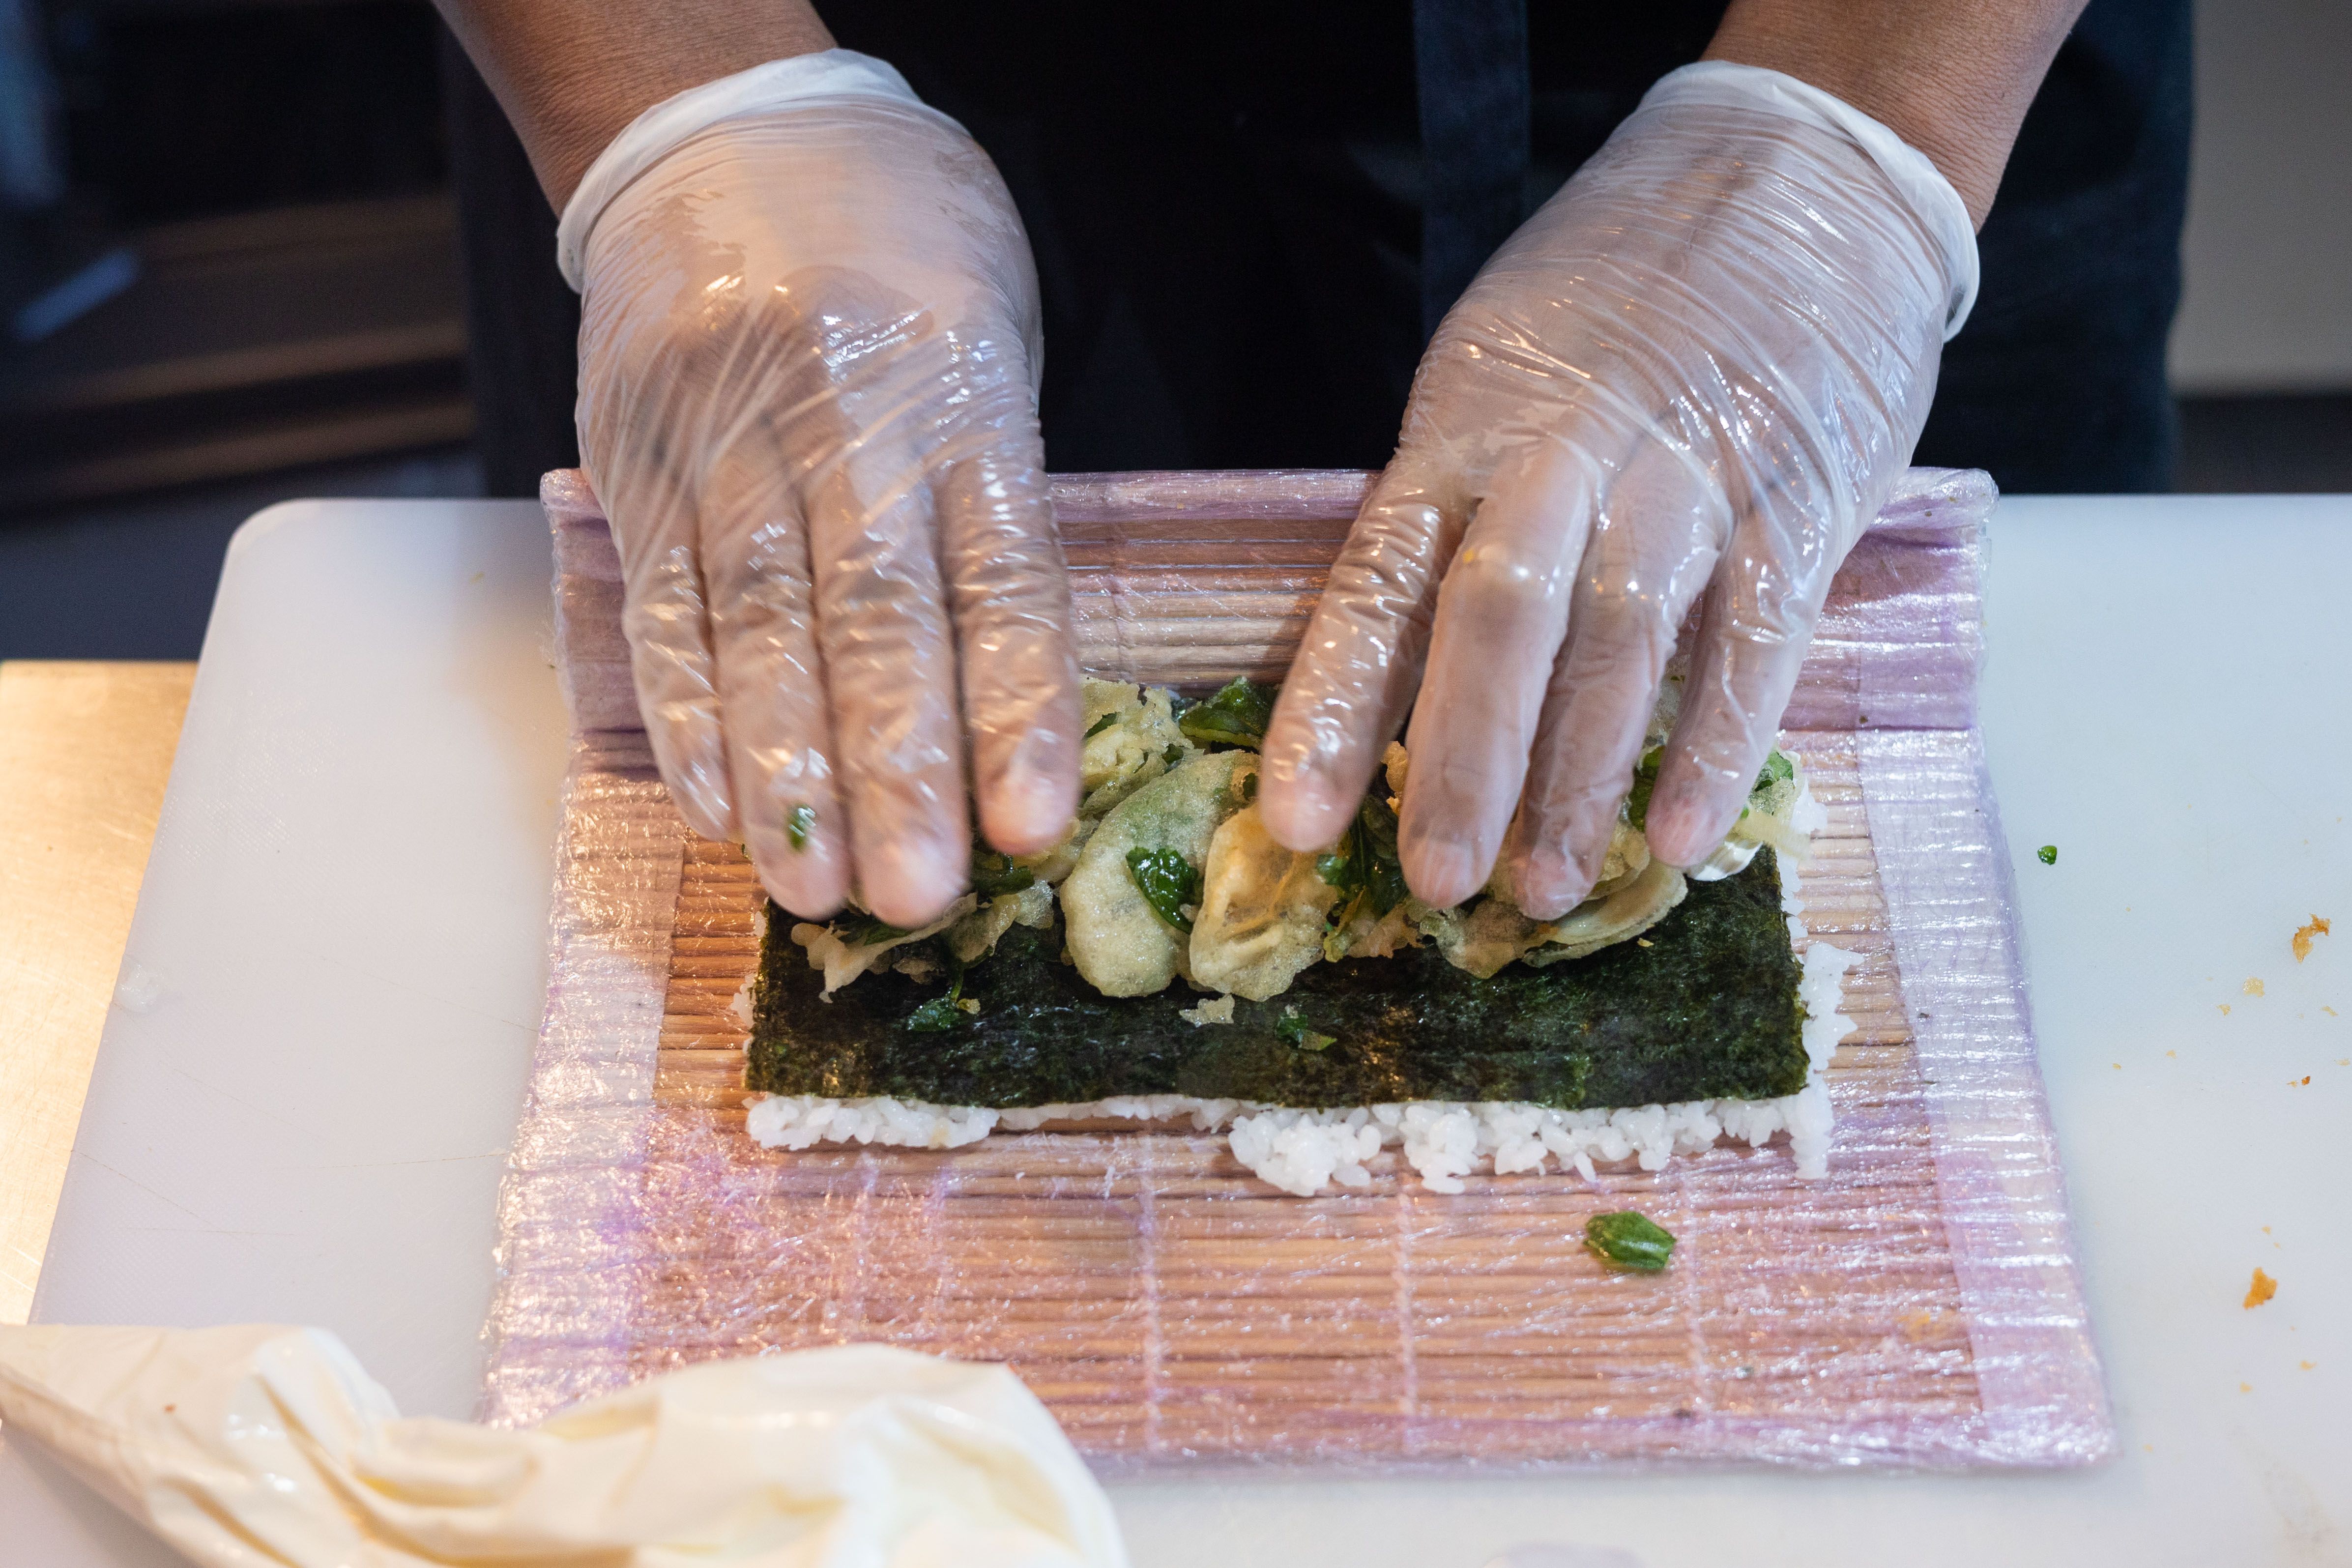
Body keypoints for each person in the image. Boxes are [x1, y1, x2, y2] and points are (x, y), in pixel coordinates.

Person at [434, 0, 2186, 930]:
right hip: (803, 75)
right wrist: (673, 111)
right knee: (819, 674)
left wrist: (1867, 127)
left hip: (1860, 31)